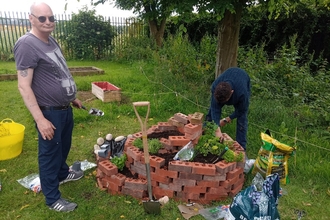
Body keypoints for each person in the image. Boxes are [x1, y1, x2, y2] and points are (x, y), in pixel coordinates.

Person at [14, 2, 83, 212]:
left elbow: (57, 72)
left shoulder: (50, 40)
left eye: (51, 18)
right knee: (49, 154)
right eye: (42, 18)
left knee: (62, 147)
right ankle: (52, 198)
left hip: (64, 108)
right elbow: (23, 86)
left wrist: (71, 97)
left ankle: (63, 173)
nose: (48, 22)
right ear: (31, 18)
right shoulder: (26, 44)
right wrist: (40, 119)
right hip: (49, 112)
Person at [206, 67, 251, 151]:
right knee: (211, 114)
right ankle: (206, 133)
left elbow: (241, 110)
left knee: (242, 120)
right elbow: (215, 108)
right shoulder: (215, 86)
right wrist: (217, 130)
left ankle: (241, 147)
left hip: (243, 78)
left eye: (224, 101)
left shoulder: (242, 94)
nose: (221, 104)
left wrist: (227, 119)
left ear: (231, 92)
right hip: (228, 77)